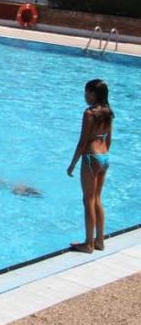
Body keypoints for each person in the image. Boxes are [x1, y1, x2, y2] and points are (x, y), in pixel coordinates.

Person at [67, 79, 114, 253]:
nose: (84, 96)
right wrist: (102, 156)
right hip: (104, 157)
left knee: (88, 200)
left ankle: (88, 244)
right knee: (97, 199)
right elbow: (109, 139)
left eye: (86, 93)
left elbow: (82, 142)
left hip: (91, 158)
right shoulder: (108, 112)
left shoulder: (89, 113)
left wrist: (72, 164)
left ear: (93, 94)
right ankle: (99, 240)